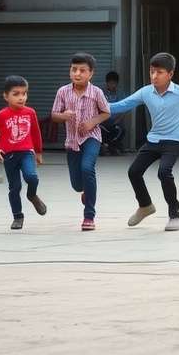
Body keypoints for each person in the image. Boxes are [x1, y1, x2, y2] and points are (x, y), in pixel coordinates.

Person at [110, 52, 179, 232]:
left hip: (174, 140)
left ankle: (174, 215)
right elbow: (121, 106)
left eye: (159, 72)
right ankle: (145, 206)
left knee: (164, 172)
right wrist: (95, 105)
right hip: (154, 139)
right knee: (134, 172)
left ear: (170, 74)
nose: (154, 76)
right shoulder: (146, 92)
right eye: (151, 71)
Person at [51, 53, 110, 231]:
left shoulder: (96, 92)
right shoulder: (62, 91)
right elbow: (54, 115)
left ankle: (89, 216)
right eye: (74, 69)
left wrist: (92, 122)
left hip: (91, 137)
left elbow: (106, 112)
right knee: (77, 185)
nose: (77, 73)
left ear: (91, 73)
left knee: (87, 168)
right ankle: (86, 191)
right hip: (72, 141)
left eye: (82, 70)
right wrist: (63, 116)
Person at [0, 75, 46, 230]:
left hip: (27, 152)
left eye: (24, 93)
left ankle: (32, 195)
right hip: (9, 156)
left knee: (31, 177)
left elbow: (36, 133)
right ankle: (18, 217)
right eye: (16, 94)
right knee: (15, 187)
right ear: (6, 96)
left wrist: (38, 152)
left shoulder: (30, 112)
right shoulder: (1, 115)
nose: (21, 97)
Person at [100, 71, 126, 155]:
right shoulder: (101, 93)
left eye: (114, 83)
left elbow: (123, 110)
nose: (112, 85)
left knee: (121, 130)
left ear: (117, 84)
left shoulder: (120, 93)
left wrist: (117, 121)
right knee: (98, 130)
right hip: (103, 121)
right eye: (110, 83)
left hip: (115, 121)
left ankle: (112, 146)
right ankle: (103, 146)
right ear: (106, 83)